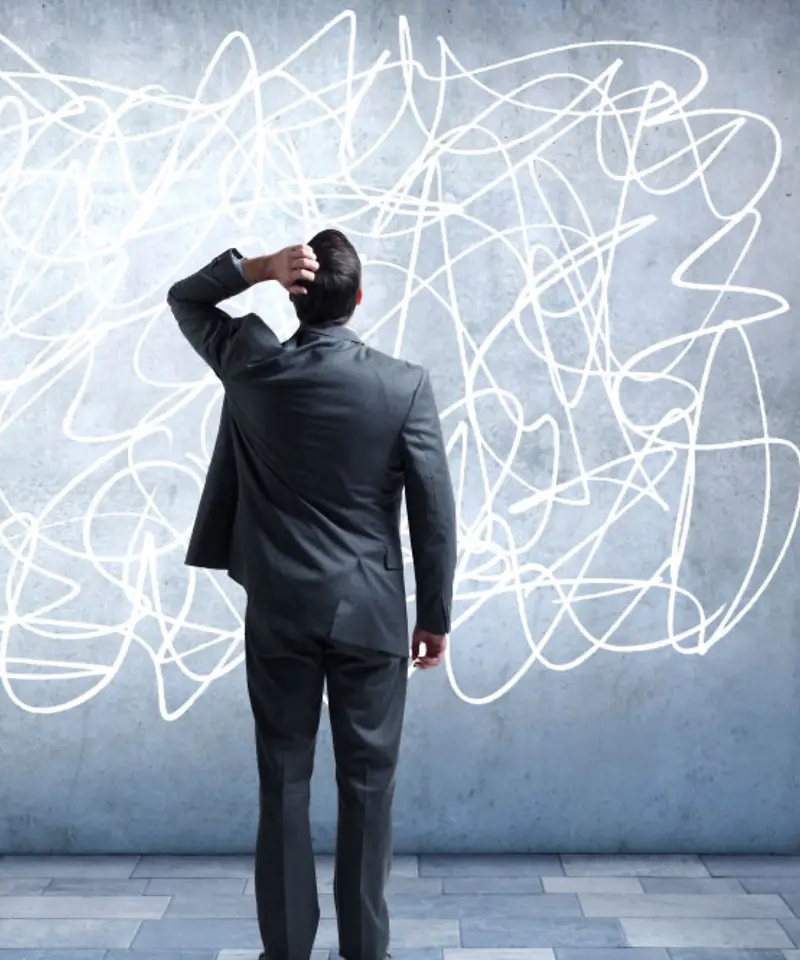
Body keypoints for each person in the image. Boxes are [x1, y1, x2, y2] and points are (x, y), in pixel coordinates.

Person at [167, 230, 458, 960]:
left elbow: (185, 297)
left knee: (284, 784)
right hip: (371, 612)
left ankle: (287, 953)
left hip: (280, 612)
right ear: (358, 301)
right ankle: (365, 953)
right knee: (368, 792)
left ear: (294, 296)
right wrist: (435, 617)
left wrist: (255, 269)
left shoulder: (251, 365)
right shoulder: (403, 384)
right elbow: (434, 514)